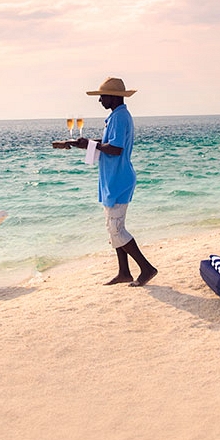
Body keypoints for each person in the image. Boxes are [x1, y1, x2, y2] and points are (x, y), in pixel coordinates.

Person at [66, 77, 158, 287]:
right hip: (112, 178)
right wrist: (82, 143)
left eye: (102, 96)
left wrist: (91, 145)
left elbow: (115, 149)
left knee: (117, 229)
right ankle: (124, 272)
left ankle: (146, 268)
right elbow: (107, 144)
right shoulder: (117, 115)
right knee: (112, 227)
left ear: (113, 97)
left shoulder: (119, 117)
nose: (99, 100)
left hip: (118, 179)